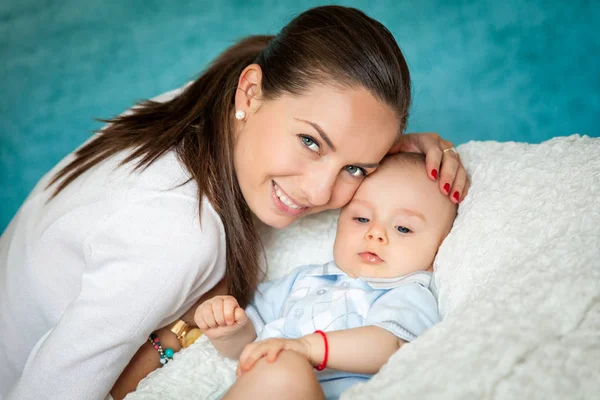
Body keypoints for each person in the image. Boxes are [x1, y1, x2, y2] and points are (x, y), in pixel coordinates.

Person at [0, 6, 468, 400]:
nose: (321, 193)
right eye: (310, 141)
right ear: (250, 91)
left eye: (355, 169)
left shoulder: (222, 96)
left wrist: (398, 160)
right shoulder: (177, 233)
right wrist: (177, 335)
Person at [195, 152, 457, 399]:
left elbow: (390, 345)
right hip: (265, 386)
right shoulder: (305, 280)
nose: (375, 233)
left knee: (282, 369)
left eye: (403, 227)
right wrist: (229, 329)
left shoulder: (408, 292)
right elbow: (248, 343)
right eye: (362, 219)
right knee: (276, 369)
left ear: (439, 249)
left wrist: (308, 348)